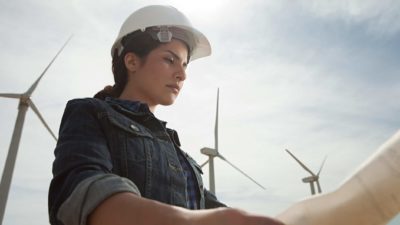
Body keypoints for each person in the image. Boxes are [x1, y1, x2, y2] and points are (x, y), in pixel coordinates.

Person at [48, 5, 284, 225]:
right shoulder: (91, 113)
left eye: (184, 64)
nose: (182, 75)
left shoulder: (182, 158)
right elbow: (79, 194)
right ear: (131, 61)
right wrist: (191, 221)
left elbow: (216, 214)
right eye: (169, 60)